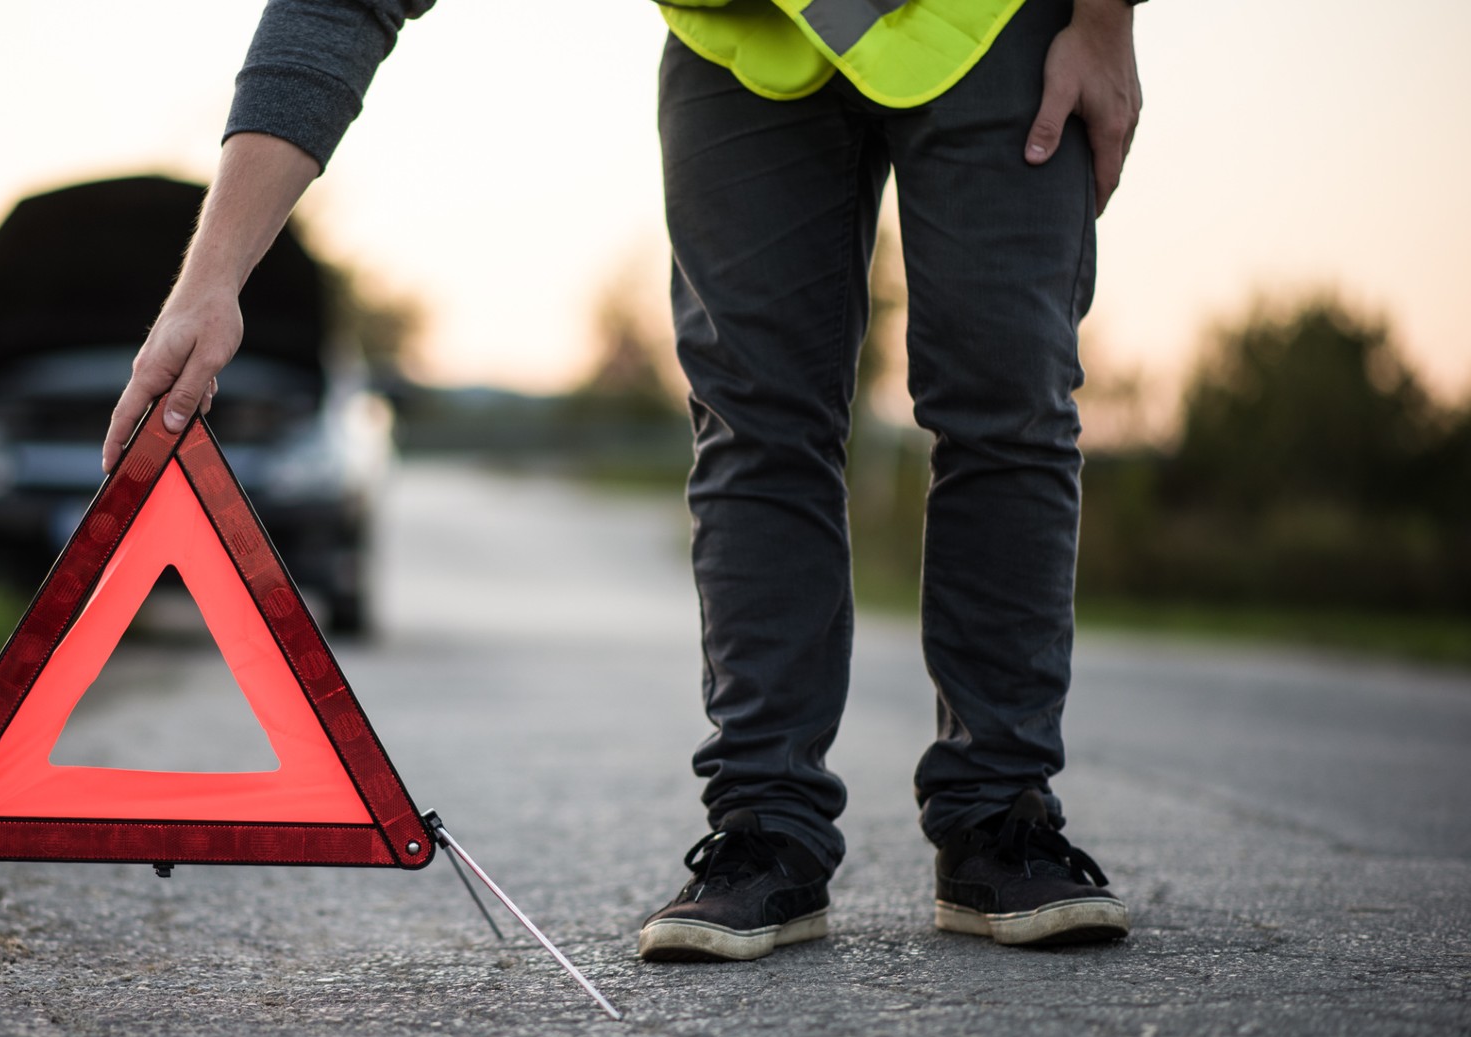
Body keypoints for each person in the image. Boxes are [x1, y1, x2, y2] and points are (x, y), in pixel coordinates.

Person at [100, 0, 1143, 961]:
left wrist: (1103, 19)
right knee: (755, 421)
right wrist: (209, 281)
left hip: (989, 21)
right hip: (746, 39)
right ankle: (764, 829)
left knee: (1005, 398)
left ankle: (999, 817)